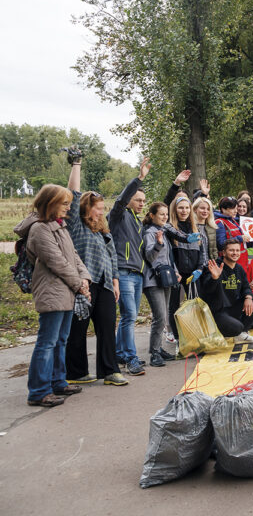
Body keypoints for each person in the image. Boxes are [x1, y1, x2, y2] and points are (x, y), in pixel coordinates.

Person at [15, 184, 92, 407]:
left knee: (61, 340)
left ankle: (58, 382)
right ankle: (39, 391)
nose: (68, 208)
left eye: (69, 204)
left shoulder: (59, 226)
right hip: (52, 291)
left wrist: (84, 278)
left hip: (65, 290)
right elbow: (56, 261)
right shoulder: (40, 229)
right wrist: (79, 284)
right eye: (64, 204)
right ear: (50, 203)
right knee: (47, 342)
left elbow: (74, 256)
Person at [63, 159, 126, 386]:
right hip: (83, 285)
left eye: (102, 208)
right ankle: (76, 372)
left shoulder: (102, 230)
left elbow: (113, 257)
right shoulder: (76, 225)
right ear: (86, 207)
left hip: (106, 284)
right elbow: (73, 193)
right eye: (98, 208)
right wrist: (77, 165)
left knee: (108, 326)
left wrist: (116, 281)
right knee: (78, 329)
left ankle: (110, 371)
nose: (101, 212)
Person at [108, 157, 151, 376]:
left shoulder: (137, 222)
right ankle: (131, 358)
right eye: (137, 200)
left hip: (137, 274)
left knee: (129, 316)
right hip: (123, 272)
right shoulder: (118, 215)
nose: (142, 203)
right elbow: (120, 200)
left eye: (144, 200)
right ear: (129, 201)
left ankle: (119, 353)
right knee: (129, 316)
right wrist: (139, 178)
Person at [142, 202, 197, 367]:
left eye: (166, 214)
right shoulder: (149, 233)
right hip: (153, 280)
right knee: (159, 317)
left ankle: (158, 348)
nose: (165, 217)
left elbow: (168, 257)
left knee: (164, 315)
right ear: (152, 215)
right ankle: (154, 353)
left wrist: (175, 271)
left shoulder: (164, 231)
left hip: (166, 277)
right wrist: (158, 243)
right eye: (161, 215)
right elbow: (150, 257)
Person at [198, 240, 253, 344]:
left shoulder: (239, 268)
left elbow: (246, 287)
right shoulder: (214, 266)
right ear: (223, 253)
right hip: (216, 312)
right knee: (237, 327)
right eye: (231, 250)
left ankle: (242, 335)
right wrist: (214, 278)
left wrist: (248, 297)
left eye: (237, 250)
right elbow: (206, 289)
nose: (235, 253)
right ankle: (216, 333)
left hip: (231, 308)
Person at [167, 195, 207, 344]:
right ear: (175, 210)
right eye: (180, 208)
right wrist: (175, 270)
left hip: (193, 273)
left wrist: (200, 269)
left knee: (195, 305)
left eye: (186, 208)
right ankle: (178, 338)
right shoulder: (171, 229)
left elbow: (203, 252)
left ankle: (195, 335)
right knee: (174, 306)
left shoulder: (195, 228)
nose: (184, 211)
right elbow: (169, 254)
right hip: (177, 273)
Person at [214, 196, 249, 272]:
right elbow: (221, 244)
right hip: (230, 264)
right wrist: (240, 238)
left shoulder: (233, 220)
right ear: (223, 209)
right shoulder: (220, 223)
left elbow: (242, 242)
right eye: (233, 208)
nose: (236, 211)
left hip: (241, 262)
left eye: (236, 208)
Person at [192, 196, 219, 261]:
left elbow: (214, 249)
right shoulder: (190, 227)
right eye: (202, 208)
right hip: (195, 266)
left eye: (208, 209)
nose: (205, 211)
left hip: (209, 265)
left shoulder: (212, 227)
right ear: (195, 209)